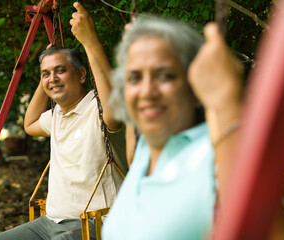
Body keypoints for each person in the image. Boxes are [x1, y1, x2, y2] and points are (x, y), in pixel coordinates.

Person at [0, 2, 127, 240]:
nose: (53, 78)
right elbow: (29, 125)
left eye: (61, 70)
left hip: (97, 223)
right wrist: (48, 77)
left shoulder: (97, 106)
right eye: (46, 73)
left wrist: (89, 41)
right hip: (49, 222)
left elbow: (113, 110)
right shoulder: (58, 115)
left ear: (81, 74)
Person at [101, 15, 243, 240]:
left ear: (195, 84)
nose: (147, 91)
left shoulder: (218, 152)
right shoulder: (146, 148)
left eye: (165, 76)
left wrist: (227, 107)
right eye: (135, 78)